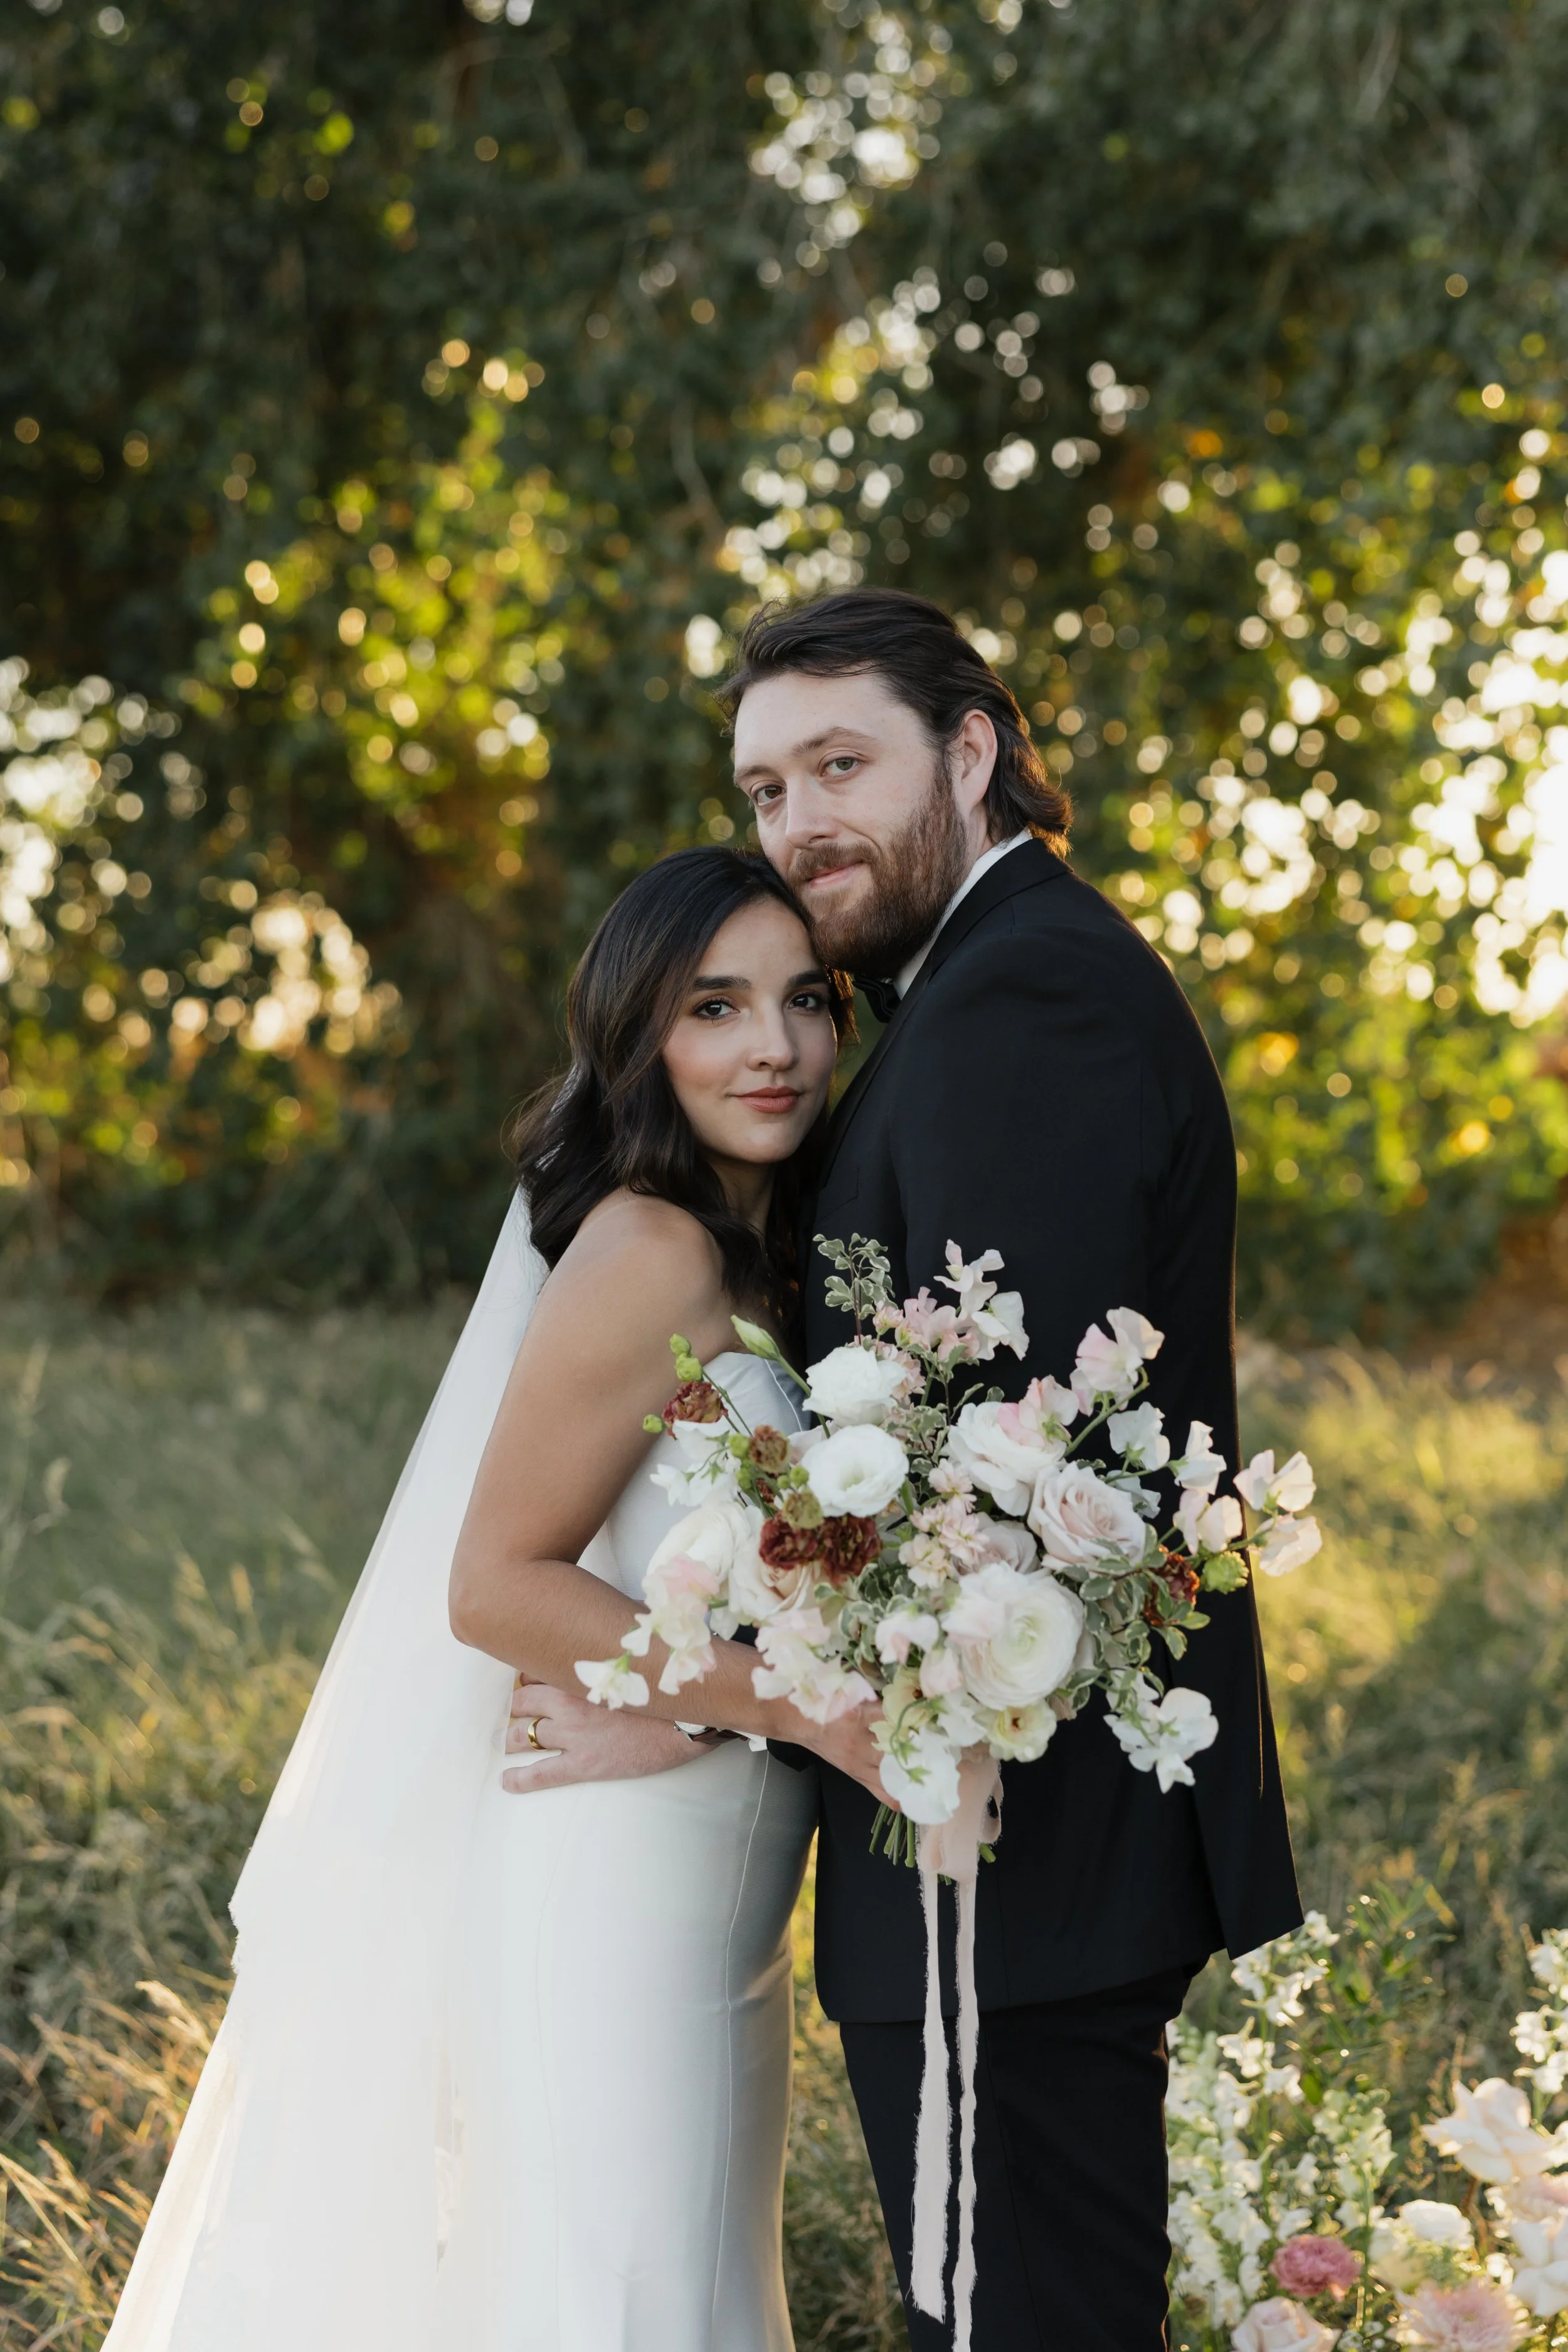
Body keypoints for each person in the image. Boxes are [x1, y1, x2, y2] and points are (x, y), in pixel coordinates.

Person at [102, 848, 886, 2352]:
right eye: (714, 1007)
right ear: (638, 1034)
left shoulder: (760, 1261)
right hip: (612, 1886)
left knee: (674, 2276)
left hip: (701, 1868)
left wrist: (710, 1723)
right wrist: (775, 1704)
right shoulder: (649, 1247)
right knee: (617, 2288)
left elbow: (715, 1588)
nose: (772, 1047)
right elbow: (495, 1584)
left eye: (803, 1002)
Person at [711, 586, 1304, 2350]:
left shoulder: (1021, 989)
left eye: (839, 762)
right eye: (760, 789)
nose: (796, 820)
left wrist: (707, 1693)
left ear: (969, 753)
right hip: (1015, 1860)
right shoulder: (978, 984)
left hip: (999, 1837)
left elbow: (991, 1474)